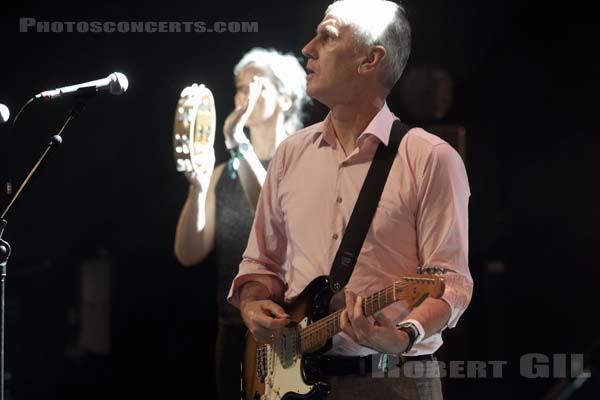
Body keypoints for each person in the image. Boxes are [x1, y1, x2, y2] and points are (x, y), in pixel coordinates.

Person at [227, 1, 473, 399]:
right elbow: (260, 265)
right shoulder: (290, 154)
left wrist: (404, 334)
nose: (308, 48)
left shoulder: (431, 158)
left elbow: (450, 283)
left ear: (370, 59)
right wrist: (252, 305)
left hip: (395, 381)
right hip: (293, 382)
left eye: (328, 36)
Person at [174, 48, 307, 400]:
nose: (244, 93)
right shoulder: (224, 173)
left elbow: (275, 213)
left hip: (285, 327)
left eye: (257, 84)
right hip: (233, 326)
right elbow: (189, 253)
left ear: (287, 97)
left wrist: (238, 142)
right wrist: (198, 188)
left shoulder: (302, 160)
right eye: (240, 86)